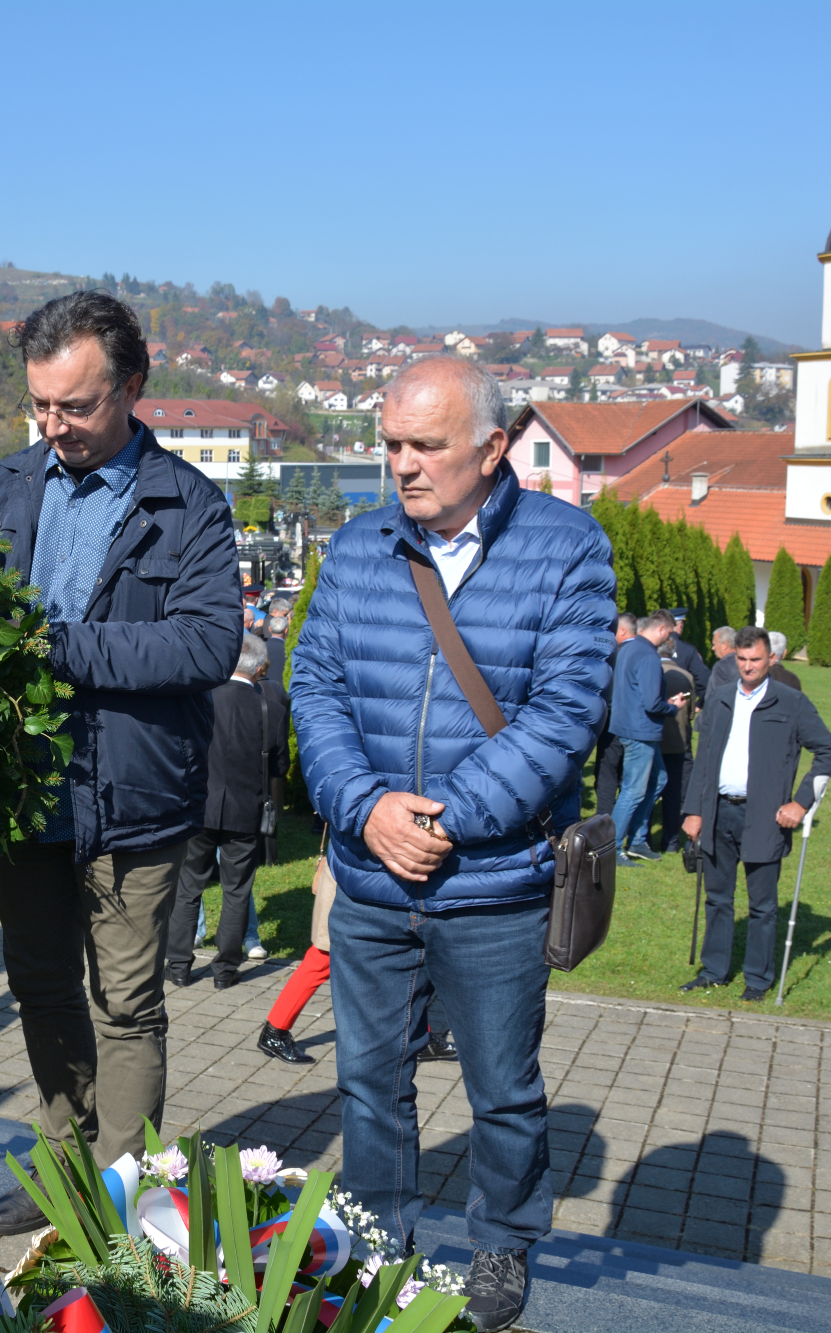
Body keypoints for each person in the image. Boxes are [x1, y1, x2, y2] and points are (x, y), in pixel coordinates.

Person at [290, 356, 615, 1332]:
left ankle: (500, 1247)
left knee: (503, 1091)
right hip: (371, 877)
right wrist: (364, 809)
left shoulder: (565, 548)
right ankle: (377, 1242)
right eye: (389, 443)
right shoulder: (355, 550)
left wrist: (446, 819)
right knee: (368, 1083)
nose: (401, 464)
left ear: (490, 446)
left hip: (493, 887)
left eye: (423, 446)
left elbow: (563, 714)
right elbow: (314, 690)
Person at [0, 291, 240, 1235]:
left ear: (132, 387)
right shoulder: (3, 484)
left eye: (76, 406)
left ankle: (120, 1197)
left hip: (134, 800)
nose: (56, 426)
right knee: (39, 986)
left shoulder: (189, 504)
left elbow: (206, 646)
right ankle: (62, 1164)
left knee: (126, 1006)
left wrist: (62, 649)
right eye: (41, 405)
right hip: (23, 797)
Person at [680, 627, 831, 1002]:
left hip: (765, 818)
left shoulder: (791, 702)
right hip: (718, 812)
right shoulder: (720, 698)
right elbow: (703, 760)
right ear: (733, 658)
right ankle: (714, 971)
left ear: (771, 659)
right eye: (741, 659)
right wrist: (693, 810)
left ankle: (758, 979)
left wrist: (800, 803)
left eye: (755, 659)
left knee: (762, 905)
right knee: (717, 898)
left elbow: (829, 751)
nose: (748, 667)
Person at [167, 633, 289, 989]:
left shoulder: (202, 698)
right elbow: (280, 767)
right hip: (244, 809)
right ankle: (225, 970)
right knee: (237, 891)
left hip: (200, 807)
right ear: (260, 668)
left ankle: (178, 966)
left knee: (189, 887)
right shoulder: (273, 709)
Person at [609, 611, 689, 864]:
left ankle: (637, 840)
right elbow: (652, 703)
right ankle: (610, 848)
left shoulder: (628, 650)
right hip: (640, 732)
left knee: (659, 779)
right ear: (663, 629)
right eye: (671, 631)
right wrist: (674, 707)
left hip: (631, 727)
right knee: (632, 790)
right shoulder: (648, 656)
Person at [656, 635, 697, 854]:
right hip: (678, 743)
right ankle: (671, 841)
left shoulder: (652, 673)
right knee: (674, 794)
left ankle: (639, 838)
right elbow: (690, 713)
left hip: (656, 741)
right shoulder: (687, 677)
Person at [592, 613, 637, 812]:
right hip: (634, 725)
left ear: (622, 631)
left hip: (612, 723)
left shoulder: (615, 654)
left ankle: (604, 822)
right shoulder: (644, 652)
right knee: (625, 777)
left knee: (607, 776)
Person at [665, 608, 711, 705]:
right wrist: (695, 701)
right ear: (680, 625)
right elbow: (704, 680)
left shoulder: (652, 646)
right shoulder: (688, 650)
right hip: (681, 705)